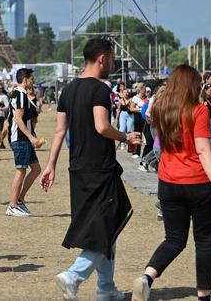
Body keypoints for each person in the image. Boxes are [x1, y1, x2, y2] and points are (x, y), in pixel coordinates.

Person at [41, 38, 141, 301]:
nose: (113, 63)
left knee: (106, 228)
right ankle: (74, 276)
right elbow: (102, 127)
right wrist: (126, 137)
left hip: (78, 168)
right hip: (100, 169)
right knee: (109, 223)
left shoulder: (68, 90)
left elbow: (60, 131)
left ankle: (106, 289)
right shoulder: (100, 90)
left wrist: (50, 165)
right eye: (112, 58)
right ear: (102, 58)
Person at [131, 65, 211, 301]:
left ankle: (146, 277)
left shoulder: (162, 110)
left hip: (168, 182)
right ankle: (204, 295)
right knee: (204, 241)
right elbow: (204, 150)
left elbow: (150, 119)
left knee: (174, 239)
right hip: (197, 182)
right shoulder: (199, 111)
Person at [6, 68, 42, 217]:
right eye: (31, 78)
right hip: (20, 138)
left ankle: (19, 200)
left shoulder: (21, 94)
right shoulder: (20, 94)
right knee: (21, 170)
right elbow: (18, 119)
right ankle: (13, 204)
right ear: (25, 79)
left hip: (23, 138)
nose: (33, 80)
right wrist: (31, 137)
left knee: (36, 169)